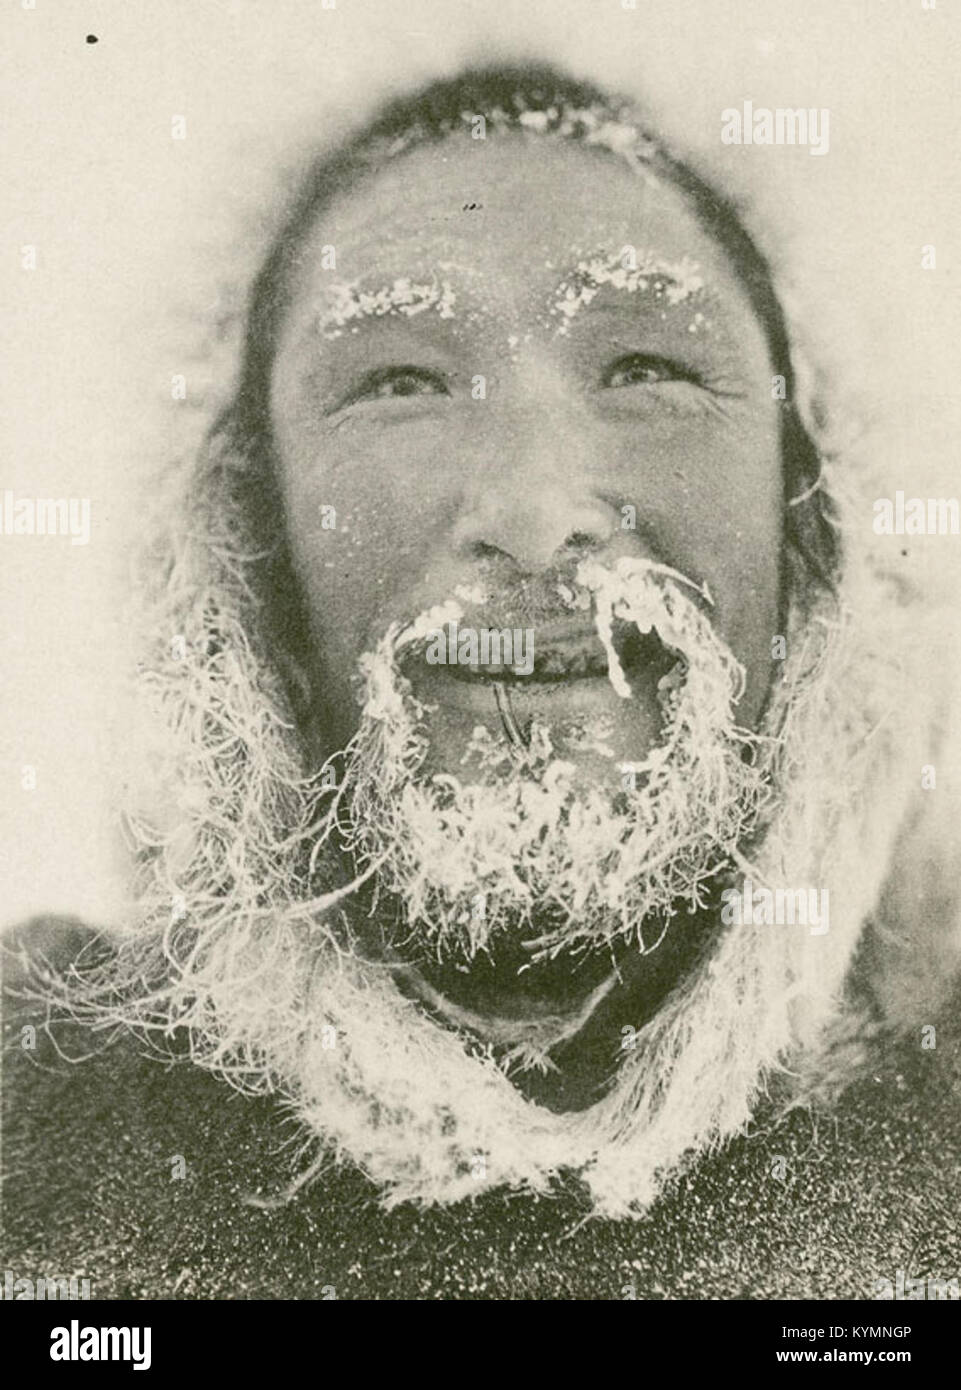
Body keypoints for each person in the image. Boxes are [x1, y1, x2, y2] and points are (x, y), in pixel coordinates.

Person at [4, 63, 960, 1299]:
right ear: (248, 547)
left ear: (814, 517)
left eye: (647, 370)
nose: (532, 514)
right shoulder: (34, 1131)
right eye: (399, 384)